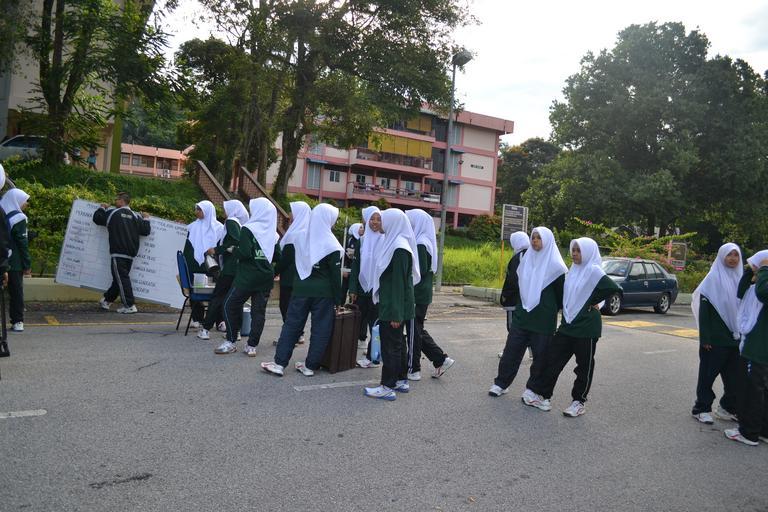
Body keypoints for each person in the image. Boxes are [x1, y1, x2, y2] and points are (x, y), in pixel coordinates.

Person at [526, 237, 620, 416]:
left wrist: (592, 301)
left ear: (588, 252)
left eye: (579, 251)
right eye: (573, 250)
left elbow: (613, 288)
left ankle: (578, 402)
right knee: (552, 361)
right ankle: (543, 396)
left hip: (586, 328)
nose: (575, 254)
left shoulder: (593, 270)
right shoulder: (573, 271)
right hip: (567, 326)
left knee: (583, 367)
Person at [262, 203, 343, 377]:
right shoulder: (332, 244)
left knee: (292, 326)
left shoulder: (299, 236)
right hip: (324, 293)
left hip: (301, 289)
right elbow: (335, 277)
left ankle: (279, 363)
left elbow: (287, 258)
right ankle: (310, 366)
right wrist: (338, 300)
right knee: (320, 329)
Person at [489, 226, 566, 400]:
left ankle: (533, 389)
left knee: (541, 356)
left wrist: (552, 309)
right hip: (523, 315)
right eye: (533, 237)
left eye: (539, 238)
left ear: (547, 240)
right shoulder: (526, 261)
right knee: (511, 351)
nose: (535, 241)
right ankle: (501, 383)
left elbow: (561, 295)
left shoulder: (556, 266)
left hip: (543, 318)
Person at [364, 208, 419, 400]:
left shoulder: (399, 248)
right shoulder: (395, 243)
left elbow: (398, 284)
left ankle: (387, 386)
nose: (380, 223)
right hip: (393, 304)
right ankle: (400, 380)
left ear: (393, 223)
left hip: (393, 306)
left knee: (391, 346)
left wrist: (396, 313)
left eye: (383, 220)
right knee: (398, 344)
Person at [690, 243, 744, 424]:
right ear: (722, 256)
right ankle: (701, 408)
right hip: (715, 339)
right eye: (729, 255)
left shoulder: (740, 278)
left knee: (735, 378)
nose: (733, 259)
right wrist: (705, 337)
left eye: (736, 255)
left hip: (736, 339)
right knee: (707, 376)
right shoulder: (712, 279)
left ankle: (726, 408)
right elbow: (704, 312)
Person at [219, 198, 280, 356]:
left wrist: (234, 250)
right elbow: (277, 256)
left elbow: (245, 253)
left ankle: (231, 340)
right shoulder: (273, 233)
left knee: (229, 305)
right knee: (258, 313)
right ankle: (251, 346)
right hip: (265, 277)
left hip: (247, 277)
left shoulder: (248, 228)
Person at [404, 208, 454, 380]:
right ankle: (440, 359)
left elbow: (419, 270)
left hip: (417, 294)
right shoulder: (424, 240)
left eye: (410, 222)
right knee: (417, 330)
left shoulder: (420, 243)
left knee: (413, 332)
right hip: (421, 293)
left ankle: (414, 369)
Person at [724, 250, 768, 446]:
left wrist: (764, 268)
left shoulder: (764, 286)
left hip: (759, 347)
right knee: (761, 390)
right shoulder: (758, 283)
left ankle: (748, 432)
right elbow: (742, 292)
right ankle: (762, 430)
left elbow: (763, 292)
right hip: (757, 344)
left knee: (752, 391)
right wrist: (751, 269)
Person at [92, 192, 151, 314]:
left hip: (118, 253)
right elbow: (145, 231)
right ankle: (107, 301)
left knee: (122, 279)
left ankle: (129, 305)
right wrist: (146, 218)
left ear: (121, 201)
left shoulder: (113, 212)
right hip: (130, 254)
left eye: (116, 199)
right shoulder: (136, 216)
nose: (114, 201)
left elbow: (97, 219)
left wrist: (102, 207)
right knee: (118, 279)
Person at [197, 199, 248, 341]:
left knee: (217, 298)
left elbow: (235, 242)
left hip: (229, 268)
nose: (223, 211)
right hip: (237, 268)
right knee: (236, 300)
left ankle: (205, 329)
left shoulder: (231, 221)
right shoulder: (239, 223)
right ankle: (236, 331)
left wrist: (217, 249)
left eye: (226, 208)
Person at [273, 201, 310, 346]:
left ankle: (290, 337)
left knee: (286, 307)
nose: (289, 214)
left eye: (292, 211)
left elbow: (286, 259)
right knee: (297, 309)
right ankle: (298, 334)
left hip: (290, 278)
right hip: (302, 278)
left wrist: (273, 272)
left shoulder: (295, 234)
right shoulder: (308, 232)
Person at [351, 206, 384, 367]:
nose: (375, 222)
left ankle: (374, 357)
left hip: (377, 290)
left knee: (375, 326)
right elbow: (355, 266)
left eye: (378, 219)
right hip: (361, 290)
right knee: (355, 323)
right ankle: (348, 353)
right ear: (367, 220)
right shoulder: (362, 240)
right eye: (372, 219)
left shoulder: (385, 240)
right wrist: (353, 289)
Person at [183, 200, 224, 328]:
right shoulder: (192, 227)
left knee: (217, 293)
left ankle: (219, 321)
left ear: (207, 211)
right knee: (196, 290)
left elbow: (221, 247)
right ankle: (197, 318)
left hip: (213, 267)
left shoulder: (219, 228)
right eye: (196, 209)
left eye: (199, 209)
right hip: (195, 266)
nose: (196, 212)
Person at [0, 189, 31, 332]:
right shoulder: (19, 217)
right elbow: (22, 243)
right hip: (15, 262)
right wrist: (27, 264)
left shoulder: (3, 213)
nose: (26, 204)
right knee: (16, 292)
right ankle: (18, 321)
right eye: (25, 200)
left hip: (2, 258)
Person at [498, 231, 530, 357]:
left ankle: (509, 352)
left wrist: (505, 296)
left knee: (513, 328)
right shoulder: (532, 255)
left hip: (515, 299)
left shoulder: (518, 258)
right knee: (527, 327)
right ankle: (532, 351)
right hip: (529, 299)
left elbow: (512, 280)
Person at [341, 222, 362, 303]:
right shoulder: (349, 240)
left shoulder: (363, 240)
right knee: (343, 290)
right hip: (348, 269)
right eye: (360, 228)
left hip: (356, 270)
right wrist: (344, 268)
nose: (362, 230)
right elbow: (343, 256)